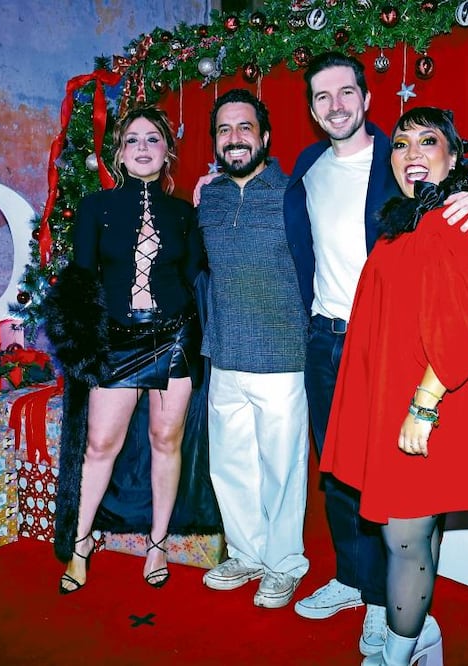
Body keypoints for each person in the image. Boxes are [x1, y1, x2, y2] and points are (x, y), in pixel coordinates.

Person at [282, 51, 468, 657]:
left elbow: (463, 279)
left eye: (345, 93)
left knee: (403, 510)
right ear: (310, 110)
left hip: (409, 372)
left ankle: (391, 615)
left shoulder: (411, 176)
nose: (335, 105)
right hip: (337, 346)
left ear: (364, 98)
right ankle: (360, 587)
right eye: (322, 97)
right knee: (346, 476)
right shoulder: (307, 168)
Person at [44, 106, 205, 593]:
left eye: (152, 139)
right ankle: (81, 543)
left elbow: (195, 275)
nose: (142, 148)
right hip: (116, 340)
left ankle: (157, 543)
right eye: (132, 140)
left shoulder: (183, 214)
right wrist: (85, 346)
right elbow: (81, 282)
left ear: (166, 152)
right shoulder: (96, 208)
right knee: (99, 446)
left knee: (165, 441)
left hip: (174, 336)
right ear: (118, 153)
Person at [196, 88, 311, 609]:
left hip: (281, 356)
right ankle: (245, 553)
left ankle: (285, 564)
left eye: (244, 128)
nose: (234, 138)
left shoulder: (293, 192)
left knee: (283, 469)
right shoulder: (209, 196)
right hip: (223, 354)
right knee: (231, 464)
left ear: (264, 137)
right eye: (224, 130)